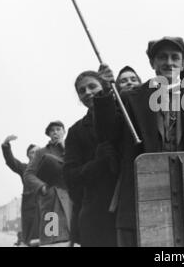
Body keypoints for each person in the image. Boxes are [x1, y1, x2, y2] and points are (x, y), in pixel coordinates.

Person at [95, 32, 184, 246]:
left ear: (182, 64)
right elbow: (106, 134)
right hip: (142, 199)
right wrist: (106, 91)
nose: (168, 62)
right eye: (162, 57)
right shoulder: (130, 98)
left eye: (174, 57)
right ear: (153, 63)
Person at [63, 71, 118, 247]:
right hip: (96, 212)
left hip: (126, 207)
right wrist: (97, 162)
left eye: (92, 86)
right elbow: (71, 177)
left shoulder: (125, 117)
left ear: (104, 86)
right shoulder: (75, 131)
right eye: (81, 90)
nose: (87, 92)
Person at [23, 121, 73, 246]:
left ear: (64, 131)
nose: (55, 132)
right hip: (52, 202)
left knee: (73, 239)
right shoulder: (41, 153)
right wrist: (43, 188)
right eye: (52, 130)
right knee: (52, 239)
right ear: (48, 134)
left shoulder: (72, 149)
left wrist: (65, 148)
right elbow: (28, 175)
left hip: (71, 200)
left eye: (58, 129)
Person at [1, 136, 40, 246]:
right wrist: (6, 145)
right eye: (32, 152)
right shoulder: (24, 168)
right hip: (30, 208)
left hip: (49, 207)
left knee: (51, 238)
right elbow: (11, 161)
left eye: (38, 152)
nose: (35, 154)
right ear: (28, 156)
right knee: (31, 239)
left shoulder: (50, 167)